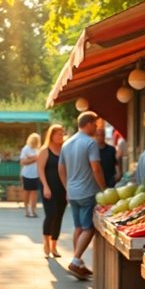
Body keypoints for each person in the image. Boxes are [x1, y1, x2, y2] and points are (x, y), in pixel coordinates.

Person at [58, 111, 106, 279]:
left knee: (78, 227)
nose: (97, 127)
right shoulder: (90, 143)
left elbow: (61, 169)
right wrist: (104, 189)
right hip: (88, 192)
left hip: (73, 193)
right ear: (88, 123)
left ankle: (78, 263)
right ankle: (76, 260)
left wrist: (67, 187)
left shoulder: (67, 143)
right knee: (89, 228)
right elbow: (96, 168)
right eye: (96, 124)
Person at [37, 124, 66, 258]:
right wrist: (45, 186)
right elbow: (40, 170)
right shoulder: (45, 150)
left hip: (63, 187)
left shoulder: (65, 150)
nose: (61, 136)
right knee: (51, 214)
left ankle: (54, 245)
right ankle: (46, 242)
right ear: (52, 135)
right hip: (48, 187)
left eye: (62, 133)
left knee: (59, 215)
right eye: (58, 134)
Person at [19, 133, 41, 218]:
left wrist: (32, 158)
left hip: (36, 174)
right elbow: (23, 162)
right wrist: (34, 158)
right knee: (27, 192)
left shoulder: (38, 150)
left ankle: (33, 209)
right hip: (27, 174)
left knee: (34, 193)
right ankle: (27, 210)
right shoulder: (26, 149)